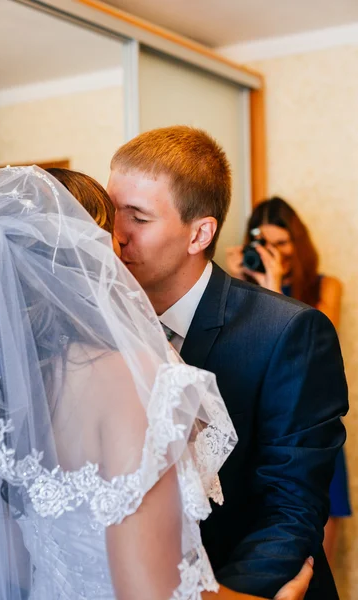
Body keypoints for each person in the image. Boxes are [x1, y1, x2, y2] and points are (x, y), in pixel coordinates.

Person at [0, 165, 311, 600]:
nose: (122, 242)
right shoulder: (131, 377)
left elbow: (13, 563)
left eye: (138, 219)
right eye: (110, 230)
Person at [107, 126, 348, 600]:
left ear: (200, 233)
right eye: (111, 213)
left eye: (137, 217)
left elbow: (289, 509)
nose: (116, 235)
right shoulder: (98, 329)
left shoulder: (287, 331)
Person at [225, 196, 352, 569]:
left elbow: (309, 352)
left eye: (282, 243)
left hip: (314, 422)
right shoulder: (242, 292)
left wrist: (275, 285)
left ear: (299, 243)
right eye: (265, 244)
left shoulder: (326, 286)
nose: (273, 252)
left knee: (323, 525)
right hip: (263, 424)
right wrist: (236, 281)